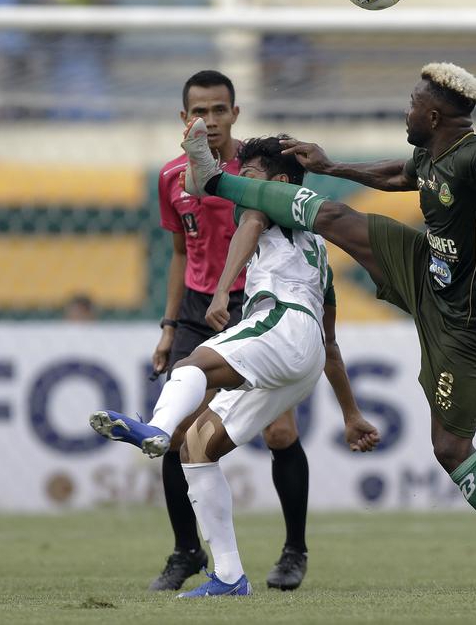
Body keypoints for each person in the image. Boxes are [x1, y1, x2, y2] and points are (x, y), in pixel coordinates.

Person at [180, 62, 476, 591]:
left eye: (411, 104)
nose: (405, 111)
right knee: (335, 217)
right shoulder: (432, 154)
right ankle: (214, 181)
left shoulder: (475, 156)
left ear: (432, 114)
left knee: (451, 448)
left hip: (465, 322)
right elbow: (398, 177)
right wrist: (332, 165)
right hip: (427, 271)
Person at [92, 135, 380, 598]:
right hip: (302, 355)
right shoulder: (318, 251)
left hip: (279, 322)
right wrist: (350, 414)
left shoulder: (271, 207)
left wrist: (225, 290)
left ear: (280, 183)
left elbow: (248, 224)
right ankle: (229, 575)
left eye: (250, 179)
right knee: (199, 452)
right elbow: (329, 345)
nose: (244, 190)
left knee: (191, 367)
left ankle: (158, 428)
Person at [144, 70, 317, 592]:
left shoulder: (257, 171)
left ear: (236, 114)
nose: (210, 120)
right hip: (200, 308)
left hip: (255, 303)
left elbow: (261, 224)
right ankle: (185, 551)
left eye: (220, 110)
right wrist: (170, 324)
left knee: (281, 432)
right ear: (184, 118)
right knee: (179, 436)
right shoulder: (172, 176)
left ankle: (294, 550)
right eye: (200, 111)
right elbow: (180, 253)